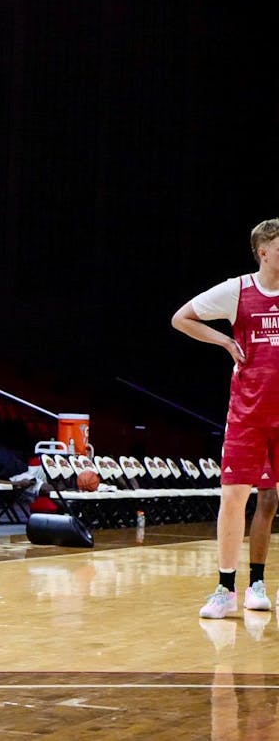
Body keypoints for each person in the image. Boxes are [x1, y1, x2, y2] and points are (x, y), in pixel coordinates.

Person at [172, 217, 279, 619]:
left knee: (271, 501)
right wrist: (222, 340)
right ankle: (224, 588)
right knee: (234, 497)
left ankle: (259, 583)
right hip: (248, 415)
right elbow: (182, 317)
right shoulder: (237, 291)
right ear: (264, 252)